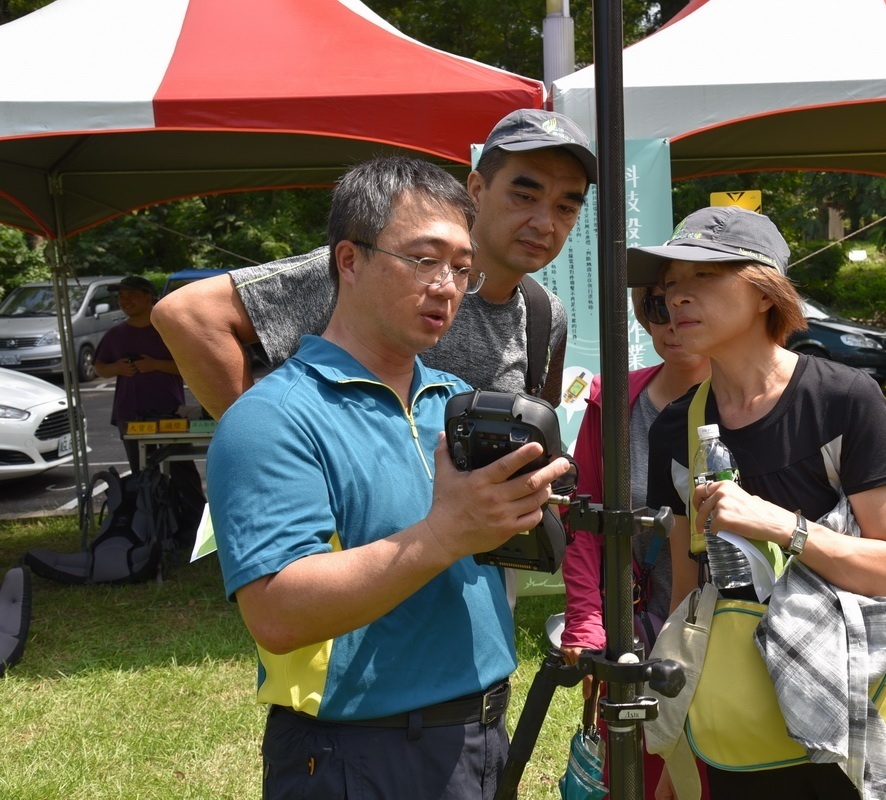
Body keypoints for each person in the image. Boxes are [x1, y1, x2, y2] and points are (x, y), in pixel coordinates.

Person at [206, 156, 573, 800]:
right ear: (349, 260)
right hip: (355, 752)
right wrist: (444, 534)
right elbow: (278, 613)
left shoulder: (458, 403)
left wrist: (526, 515)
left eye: (461, 268)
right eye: (424, 260)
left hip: (484, 734)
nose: (448, 286)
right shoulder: (270, 418)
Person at [631, 206, 886, 800]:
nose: (678, 298)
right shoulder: (675, 429)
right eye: (670, 284)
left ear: (763, 291)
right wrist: (676, 732)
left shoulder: (843, 399)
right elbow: (685, 591)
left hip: (852, 709)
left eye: (703, 277)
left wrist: (782, 526)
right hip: (739, 729)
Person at [150, 108, 596, 419]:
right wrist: (267, 448)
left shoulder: (544, 316)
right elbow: (188, 314)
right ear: (477, 189)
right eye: (525, 195)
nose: (544, 222)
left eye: (566, 207)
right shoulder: (373, 269)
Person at [559, 284, 711, 797]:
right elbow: (584, 521)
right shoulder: (613, 403)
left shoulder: (749, 402)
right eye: (655, 307)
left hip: (731, 635)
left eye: (686, 304)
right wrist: (586, 618)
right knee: (638, 775)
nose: (672, 322)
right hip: (638, 637)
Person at [94, 276, 188, 471]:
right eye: (121, 296)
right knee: (141, 472)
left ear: (149, 297)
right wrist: (117, 368)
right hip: (130, 412)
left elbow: (189, 366)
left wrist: (155, 364)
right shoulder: (115, 334)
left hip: (170, 411)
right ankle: (146, 503)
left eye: (132, 295)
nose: (125, 300)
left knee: (181, 468)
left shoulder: (169, 329)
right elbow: (99, 367)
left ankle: (187, 503)